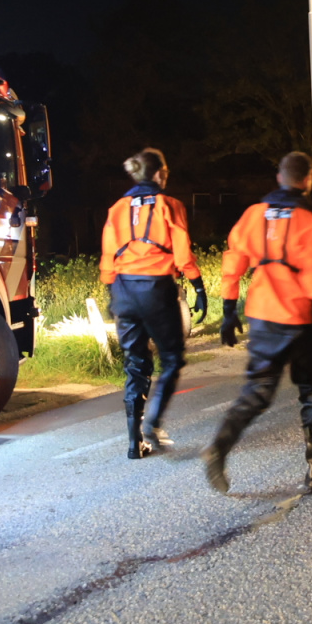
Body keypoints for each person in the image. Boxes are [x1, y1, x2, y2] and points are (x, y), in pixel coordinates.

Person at [202, 152, 312, 495]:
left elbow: (234, 259)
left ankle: (218, 448)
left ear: (279, 178)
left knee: (257, 391)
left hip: (263, 315)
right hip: (301, 319)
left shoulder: (254, 215)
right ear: (307, 180)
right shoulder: (307, 220)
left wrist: (227, 309)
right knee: (311, 391)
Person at [99, 148, 207, 458]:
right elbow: (183, 253)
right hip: (157, 290)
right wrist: (198, 285)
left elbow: (108, 256)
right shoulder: (170, 205)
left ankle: (135, 443)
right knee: (172, 359)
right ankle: (153, 422)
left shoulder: (117, 208)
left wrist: (113, 295)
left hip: (123, 289)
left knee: (135, 364)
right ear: (159, 174)